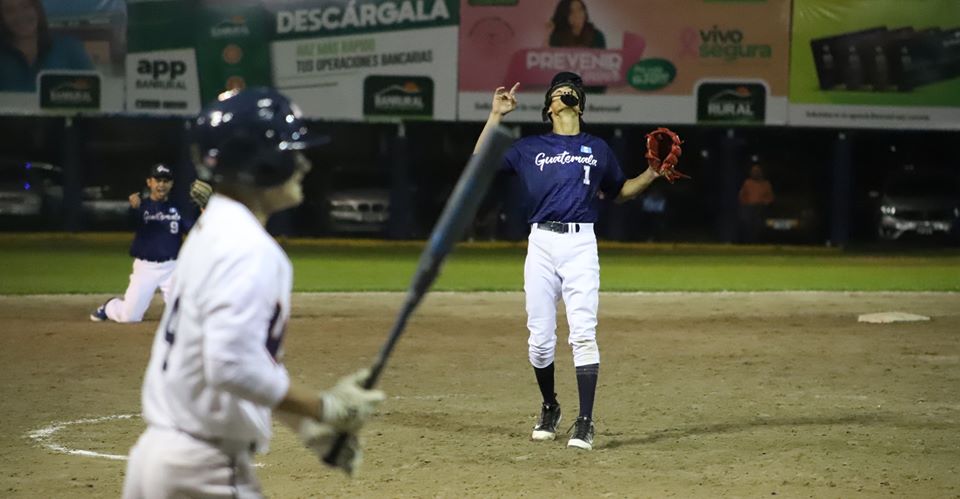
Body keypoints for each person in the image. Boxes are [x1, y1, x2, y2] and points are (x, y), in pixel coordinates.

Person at [122, 87, 385, 498]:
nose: (303, 163)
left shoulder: (214, 229)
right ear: (260, 165)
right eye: (290, 152)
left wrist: (305, 426)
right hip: (202, 470)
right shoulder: (251, 250)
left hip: (165, 458)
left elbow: (233, 355)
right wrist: (324, 408)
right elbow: (230, 365)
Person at [473, 72, 667, 450]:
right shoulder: (530, 147)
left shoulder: (597, 148)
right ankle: (550, 406)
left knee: (582, 333)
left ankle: (585, 421)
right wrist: (496, 115)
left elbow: (620, 191)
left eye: (572, 91)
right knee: (540, 342)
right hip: (541, 243)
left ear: (579, 104)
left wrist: (652, 173)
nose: (566, 93)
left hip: (581, 245)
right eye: (559, 91)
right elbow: (480, 163)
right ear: (549, 107)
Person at [90, 163, 194, 323]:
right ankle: (110, 306)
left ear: (171, 184)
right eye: (157, 180)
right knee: (129, 317)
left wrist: (205, 210)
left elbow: (196, 232)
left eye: (166, 181)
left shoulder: (178, 208)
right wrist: (134, 209)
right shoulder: (142, 206)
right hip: (146, 268)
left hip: (173, 269)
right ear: (149, 182)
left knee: (185, 319)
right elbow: (130, 225)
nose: (161, 184)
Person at [0, 0, 93, 92]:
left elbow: (92, 92)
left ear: (37, 9)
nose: (20, 16)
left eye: (26, 6)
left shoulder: (69, 48)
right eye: (9, 10)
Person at [738, 162, 775, 244]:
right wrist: (745, 204)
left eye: (757, 171)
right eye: (753, 171)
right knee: (747, 226)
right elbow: (741, 195)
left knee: (759, 227)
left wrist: (764, 203)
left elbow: (770, 197)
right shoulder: (747, 183)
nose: (755, 173)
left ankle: (758, 242)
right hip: (749, 208)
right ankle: (748, 243)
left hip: (760, 209)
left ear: (761, 172)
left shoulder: (766, 184)